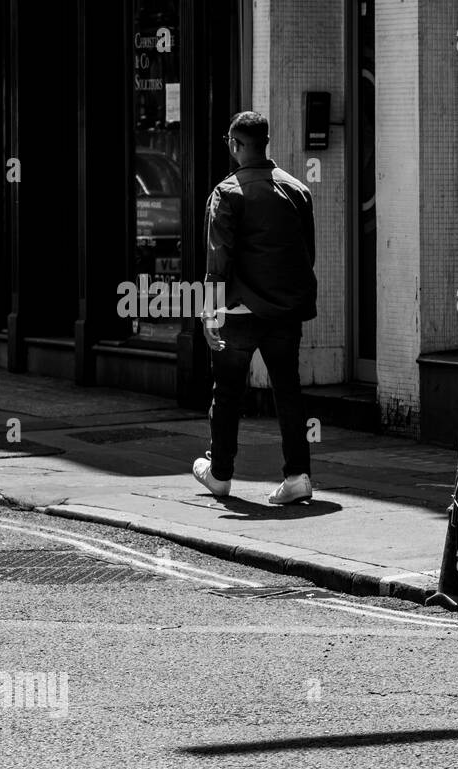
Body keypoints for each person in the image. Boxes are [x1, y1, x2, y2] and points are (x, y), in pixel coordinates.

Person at [192, 111, 318, 505]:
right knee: (288, 391)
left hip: (240, 315)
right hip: (284, 313)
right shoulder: (297, 190)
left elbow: (219, 260)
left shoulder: (226, 194)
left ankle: (221, 473)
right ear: (266, 142)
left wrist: (209, 312)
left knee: (228, 392)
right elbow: (306, 255)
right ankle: (298, 476)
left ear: (234, 145)